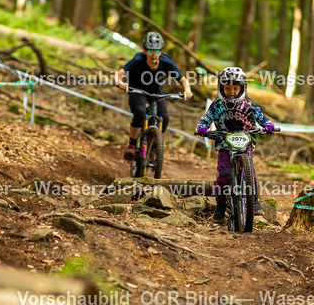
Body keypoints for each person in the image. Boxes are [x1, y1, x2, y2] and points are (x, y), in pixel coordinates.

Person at [195, 66, 276, 222]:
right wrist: (202, 128)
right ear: (221, 88)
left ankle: (255, 201)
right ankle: (219, 207)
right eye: (227, 88)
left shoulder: (249, 106)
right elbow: (206, 119)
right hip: (225, 145)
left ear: (241, 88)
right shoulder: (216, 105)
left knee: (249, 172)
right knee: (224, 175)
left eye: (235, 88)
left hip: (245, 146)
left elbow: (262, 117)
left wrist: (268, 125)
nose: (231, 91)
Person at [114, 32, 192, 160]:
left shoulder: (166, 62)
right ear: (145, 51)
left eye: (156, 51)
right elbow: (118, 74)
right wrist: (120, 83)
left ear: (160, 51)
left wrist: (187, 91)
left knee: (164, 118)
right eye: (150, 51)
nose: (153, 55)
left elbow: (183, 80)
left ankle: (155, 147)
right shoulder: (137, 60)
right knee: (140, 111)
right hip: (136, 89)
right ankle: (132, 145)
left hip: (155, 91)